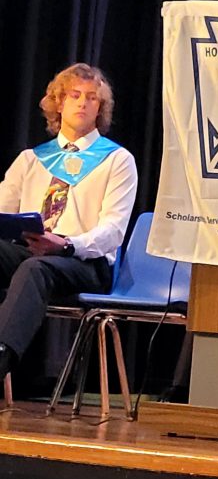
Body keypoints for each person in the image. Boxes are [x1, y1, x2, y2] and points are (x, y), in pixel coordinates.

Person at [0, 63, 138, 382]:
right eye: (74, 95)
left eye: (92, 98)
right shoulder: (31, 159)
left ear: (100, 108)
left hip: (84, 263)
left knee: (36, 269)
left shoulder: (117, 160)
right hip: (31, 250)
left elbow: (113, 231)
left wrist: (67, 244)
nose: (83, 103)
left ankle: (1, 357)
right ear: (59, 103)